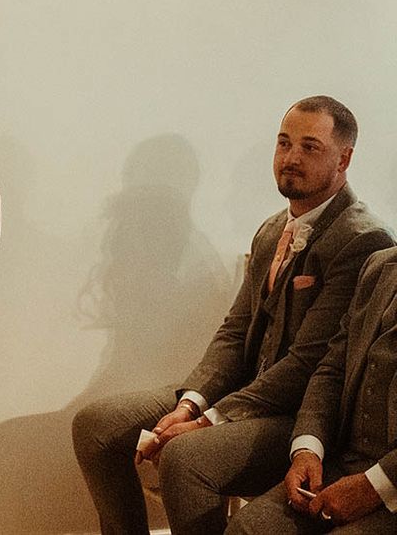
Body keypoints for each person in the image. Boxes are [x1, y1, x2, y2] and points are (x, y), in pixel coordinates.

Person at [72, 96, 395, 534]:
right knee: (96, 426)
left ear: (344, 158)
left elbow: (310, 364)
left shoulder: (363, 241)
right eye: (284, 143)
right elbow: (235, 331)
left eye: (309, 147)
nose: (291, 158)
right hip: (240, 393)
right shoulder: (269, 230)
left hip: (294, 410)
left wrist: (212, 420)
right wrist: (192, 403)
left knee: (187, 457)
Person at [226, 247, 397, 534]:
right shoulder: (379, 265)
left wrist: (375, 485)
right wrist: (308, 449)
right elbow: (331, 370)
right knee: (247, 528)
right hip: (346, 462)